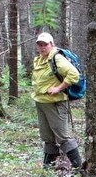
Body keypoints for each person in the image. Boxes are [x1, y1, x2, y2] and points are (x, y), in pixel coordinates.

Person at [31, 32, 83, 169]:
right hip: (41, 102)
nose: (42, 47)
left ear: (51, 44)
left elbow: (74, 75)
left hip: (55, 103)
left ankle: (80, 168)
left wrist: (59, 88)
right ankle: (47, 169)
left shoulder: (57, 58)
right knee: (47, 137)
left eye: (45, 44)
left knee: (63, 137)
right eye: (40, 45)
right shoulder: (39, 59)